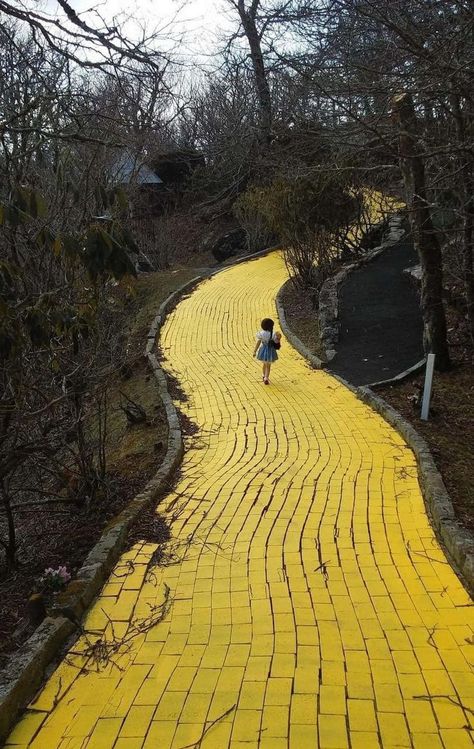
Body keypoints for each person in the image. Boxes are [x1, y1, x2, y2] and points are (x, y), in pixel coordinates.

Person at [253, 318, 281, 384]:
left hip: (263, 350)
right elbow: (276, 342)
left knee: (264, 364)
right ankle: (266, 377)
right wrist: (278, 338)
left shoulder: (261, 334)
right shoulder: (273, 334)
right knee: (268, 365)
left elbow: (258, 342)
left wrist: (255, 351)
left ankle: (263, 375)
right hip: (270, 351)